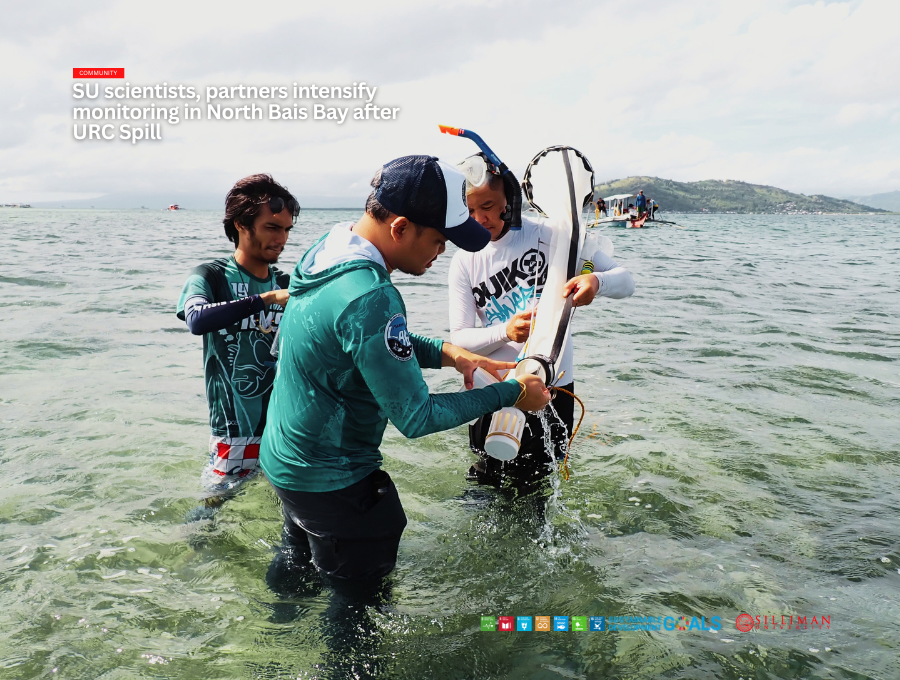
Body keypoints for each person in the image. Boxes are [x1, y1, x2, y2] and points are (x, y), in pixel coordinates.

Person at [259, 155, 551, 581]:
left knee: (296, 570)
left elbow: (354, 338)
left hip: (287, 461)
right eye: (439, 240)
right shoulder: (372, 297)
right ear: (399, 228)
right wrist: (513, 393)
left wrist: (448, 353)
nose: (442, 251)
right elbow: (416, 416)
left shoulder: (329, 248)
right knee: (356, 615)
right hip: (334, 483)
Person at [449, 159, 635, 488]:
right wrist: (505, 331)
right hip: (497, 388)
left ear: (510, 199)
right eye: (470, 210)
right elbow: (460, 341)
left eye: (489, 206)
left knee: (538, 489)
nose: (480, 219)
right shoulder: (464, 260)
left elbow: (626, 280)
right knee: (485, 484)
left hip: (554, 385)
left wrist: (596, 284)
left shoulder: (554, 237)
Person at [176, 174, 299, 494]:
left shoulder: (287, 281)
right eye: (272, 227)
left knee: (289, 515)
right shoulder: (210, 276)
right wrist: (267, 299)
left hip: (283, 428)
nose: (282, 238)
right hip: (233, 431)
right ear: (242, 226)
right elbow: (197, 320)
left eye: (286, 229)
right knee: (212, 511)